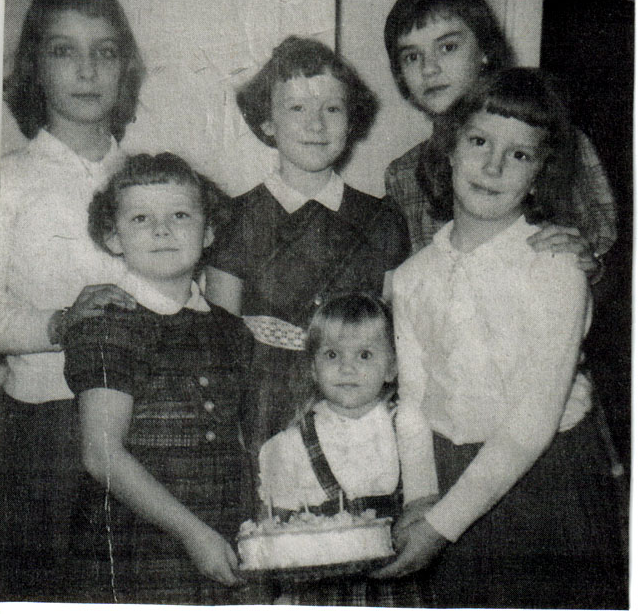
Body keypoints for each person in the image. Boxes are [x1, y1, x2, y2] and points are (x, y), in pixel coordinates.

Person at [375, 68, 625, 608]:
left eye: (519, 154)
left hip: (548, 483)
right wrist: (421, 498)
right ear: (449, 149)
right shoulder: (413, 276)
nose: (493, 166)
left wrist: (441, 525)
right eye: (479, 142)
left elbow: (532, 421)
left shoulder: (556, 266)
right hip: (448, 477)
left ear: (539, 174)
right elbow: (413, 403)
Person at [205, 36, 410, 506]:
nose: (316, 124)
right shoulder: (235, 218)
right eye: (296, 108)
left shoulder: (382, 219)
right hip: (264, 410)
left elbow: (396, 336)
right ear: (266, 121)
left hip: (359, 413)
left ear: (351, 120)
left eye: (332, 109)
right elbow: (218, 341)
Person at [0, 0, 143, 600]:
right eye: (64, 51)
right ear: (34, 67)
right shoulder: (8, 182)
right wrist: (60, 324)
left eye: (105, 52)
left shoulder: (151, 176)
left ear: (125, 67)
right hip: (44, 432)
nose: (88, 71)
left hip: (146, 423)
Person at [62, 153, 251, 605]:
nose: (162, 230)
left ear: (208, 231)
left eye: (180, 215)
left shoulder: (230, 329)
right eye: (141, 218)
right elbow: (101, 455)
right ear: (113, 237)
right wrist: (193, 533)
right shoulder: (107, 325)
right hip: (134, 549)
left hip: (220, 539)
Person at [383, 0, 616, 270]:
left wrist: (588, 264)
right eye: (412, 56)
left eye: (448, 47)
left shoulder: (554, 138)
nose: (429, 68)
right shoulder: (403, 174)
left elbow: (610, 260)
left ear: (485, 51)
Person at [258, 293, 430, 607]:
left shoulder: (407, 424)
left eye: (364, 355)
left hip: (396, 592)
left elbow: (423, 505)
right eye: (332, 354)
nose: (347, 368)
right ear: (313, 367)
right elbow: (276, 536)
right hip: (319, 597)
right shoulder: (291, 443)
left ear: (391, 368)